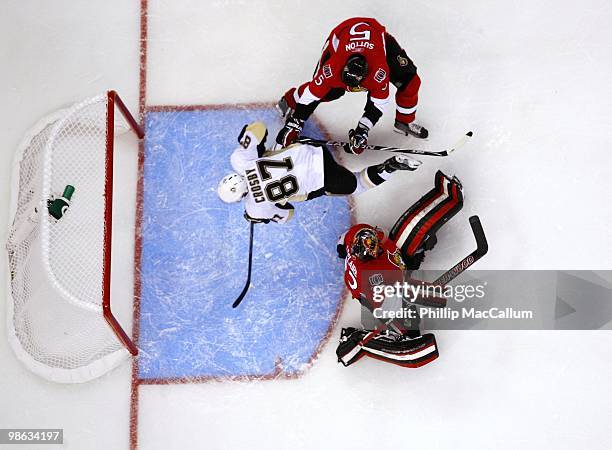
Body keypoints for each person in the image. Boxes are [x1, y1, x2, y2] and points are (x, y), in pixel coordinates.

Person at [335, 171, 464, 368]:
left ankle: (446, 194)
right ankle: (360, 342)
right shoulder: (372, 278)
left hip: (389, 278)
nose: (375, 245)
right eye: (371, 246)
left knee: (410, 237)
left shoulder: (359, 234)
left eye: (373, 241)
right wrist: (434, 295)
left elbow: (345, 242)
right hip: (381, 300)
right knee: (417, 346)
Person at [276, 17, 428, 155]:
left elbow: (378, 103)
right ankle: (290, 100)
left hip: (378, 37)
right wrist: (295, 122)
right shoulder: (332, 67)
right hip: (340, 36)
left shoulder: (378, 72)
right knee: (330, 92)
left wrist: (363, 130)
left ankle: (404, 120)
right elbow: (313, 93)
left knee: (410, 81)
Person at [216, 121, 421, 223]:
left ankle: (391, 166)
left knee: (356, 185)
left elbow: (288, 215)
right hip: (312, 150)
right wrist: (247, 140)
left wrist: (261, 217)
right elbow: (257, 128)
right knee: (276, 149)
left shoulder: (255, 208)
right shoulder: (240, 161)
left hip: (320, 178)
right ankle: (295, 126)